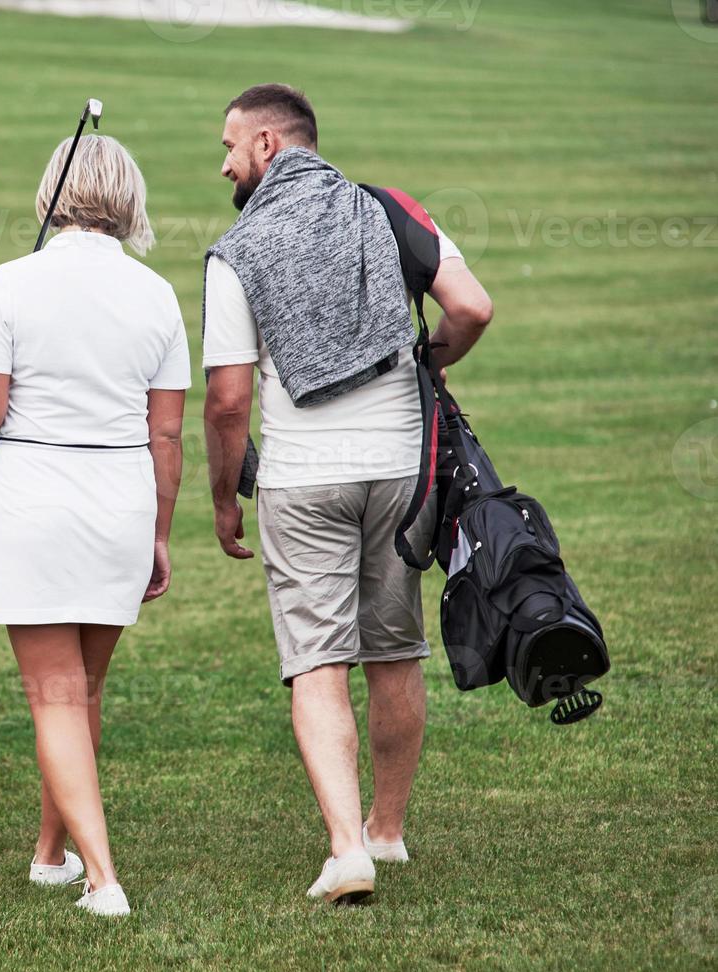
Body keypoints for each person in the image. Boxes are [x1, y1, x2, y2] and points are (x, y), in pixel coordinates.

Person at [201, 84, 494, 903]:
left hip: (299, 477)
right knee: (394, 650)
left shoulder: (236, 248)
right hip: (403, 469)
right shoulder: (391, 208)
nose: (223, 164)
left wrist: (226, 499)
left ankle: (346, 850)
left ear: (267, 144)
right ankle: (387, 831)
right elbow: (472, 306)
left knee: (317, 661)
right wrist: (425, 363)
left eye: (228, 147)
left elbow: (227, 400)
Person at [0, 135, 189, 918]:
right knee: (81, 690)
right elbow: (167, 434)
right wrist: (160, 534)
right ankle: (49, 853)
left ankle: (103, 878)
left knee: (58, 697)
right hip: (122, 500)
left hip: (37, 498)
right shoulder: (156, 292)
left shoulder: (11, 281)